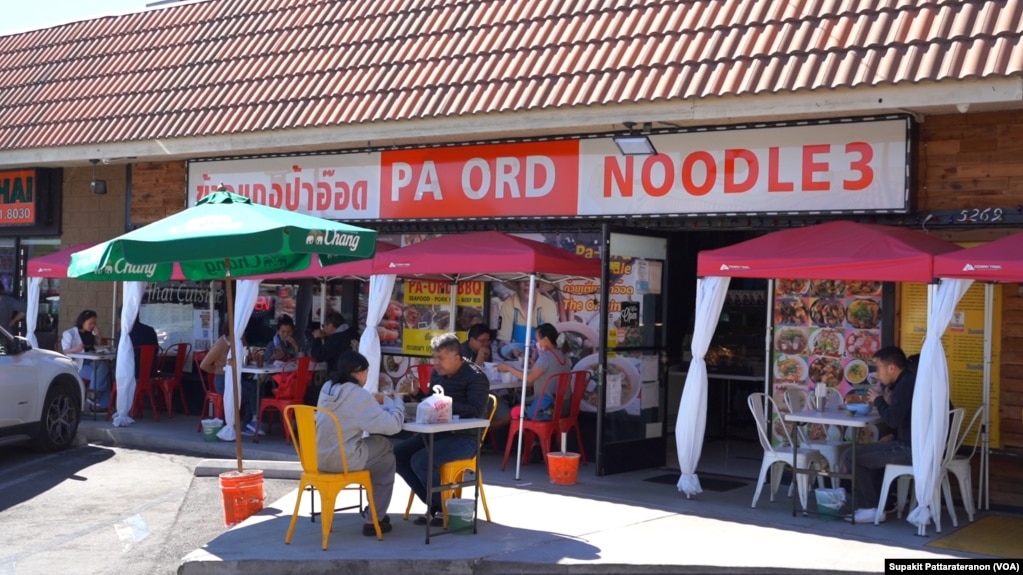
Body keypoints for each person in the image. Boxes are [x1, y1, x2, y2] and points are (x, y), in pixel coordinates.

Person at [394, 332, 489, 527]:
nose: (436, 363)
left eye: (441, 358)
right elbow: (430, 401)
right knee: (397, 455)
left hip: (465, 438)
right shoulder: (438, 373)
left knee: (421, 461)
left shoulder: (476, 377)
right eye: (434, 357)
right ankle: (437, 504)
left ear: (456, 358)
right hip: (436, 432)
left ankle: (442, 508)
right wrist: (416, 394)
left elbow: (477, 411)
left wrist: (446, 404)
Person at [315, 351, 404, 536]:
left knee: (381, 457)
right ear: (359, 372)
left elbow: (349, 410)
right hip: (343, 460)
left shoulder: (328, 387)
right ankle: (374, 519)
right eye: (366, 372)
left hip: (317, 458)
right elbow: (392, 426)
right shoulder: (357, 395)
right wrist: (399, 403)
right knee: (385, 451)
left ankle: (374, 512)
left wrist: (370, 401)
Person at [841, 345, 916, 524]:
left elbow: (892, 419)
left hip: (912, 450)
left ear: (892, 368)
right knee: (873, 449)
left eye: (879, 368)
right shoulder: (908, 381)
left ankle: (870, 509)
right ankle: (885, 503)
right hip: (917, 446)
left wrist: (878, 400)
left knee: (851, 455)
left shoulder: (905, 384)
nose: (877, 374)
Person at [497, 323, 571, 422]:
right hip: (565, 406)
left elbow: (530, 378)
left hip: (548, 409)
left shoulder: (545, 357)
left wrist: (508, 368)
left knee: (516, 410)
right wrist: (533, 364)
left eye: (537, 339)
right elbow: (549, 370)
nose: (536, 342)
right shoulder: (563, 354)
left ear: (545, 340)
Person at [200, 323, 262, 437]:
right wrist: (220, 370)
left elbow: (248, 357)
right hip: (223, 381)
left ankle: (249, 422)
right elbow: (204, 365)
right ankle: (250, 421)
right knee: (250, 394)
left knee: (255, 388)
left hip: (237, 378)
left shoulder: (238, 342)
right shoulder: (221, 344)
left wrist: (244, 343)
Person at [61, 310, 113, 412]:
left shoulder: (90, 333)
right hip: (78, 364)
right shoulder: (70, 333)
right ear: (83, 322)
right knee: (103, 373)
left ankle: (94, 395)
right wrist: (76, 349)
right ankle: (101, 403)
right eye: (90, 323)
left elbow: (96, 347)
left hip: (91, 361)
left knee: (103, 368)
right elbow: (65, 351)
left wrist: (98, 335)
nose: (92, 326)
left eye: (94, 323)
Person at [496, 280, 560, 349]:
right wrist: (513, 351)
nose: (528, 284)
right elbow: (504, 341)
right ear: (517, 283)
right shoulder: (508, 305)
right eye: (523, 279)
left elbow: (550, 342)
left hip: (542, 356)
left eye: (533, 280)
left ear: (538, 285)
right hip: (515, 357)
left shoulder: (548, 305)